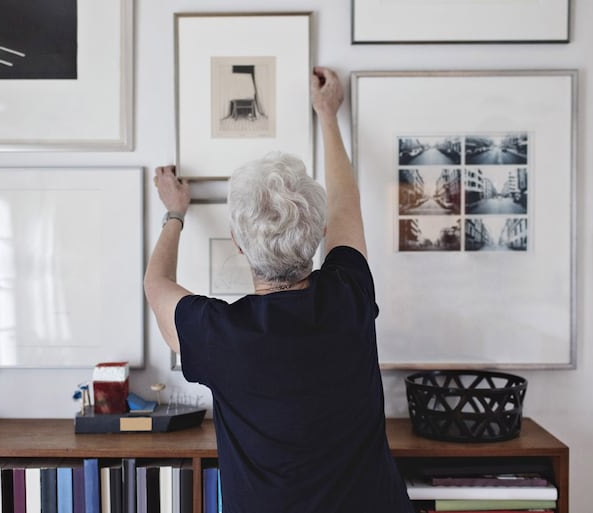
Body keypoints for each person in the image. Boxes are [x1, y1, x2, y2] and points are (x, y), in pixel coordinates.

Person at [144, 67, 413, 512]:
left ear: (238, 243)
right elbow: (347, 202)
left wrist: (175, 213)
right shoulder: (349, 296)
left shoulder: (217, 335)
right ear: (320, 232)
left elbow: (156, 285)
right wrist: (327, 115)